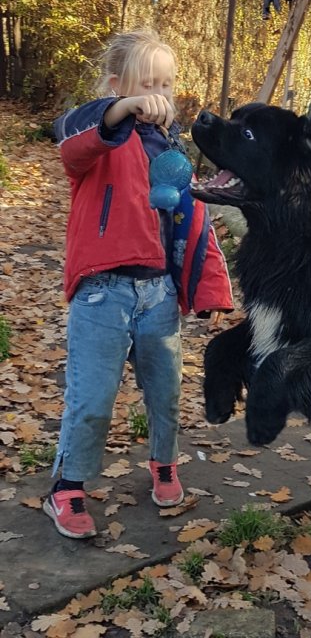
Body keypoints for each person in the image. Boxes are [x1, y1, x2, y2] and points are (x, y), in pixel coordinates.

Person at [45, 28, 234, 539]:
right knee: (92, 397)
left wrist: (208, 289)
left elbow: (193, 222)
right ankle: (67, 486)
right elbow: (72, 135)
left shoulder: (169, 147)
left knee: (165, 391)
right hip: (101, 292)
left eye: (165, 84)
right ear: (116, 86)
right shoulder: (96, 136)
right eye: (146, 85)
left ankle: (164, 464)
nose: (158, 95)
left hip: (158, 294)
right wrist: (121, 110)